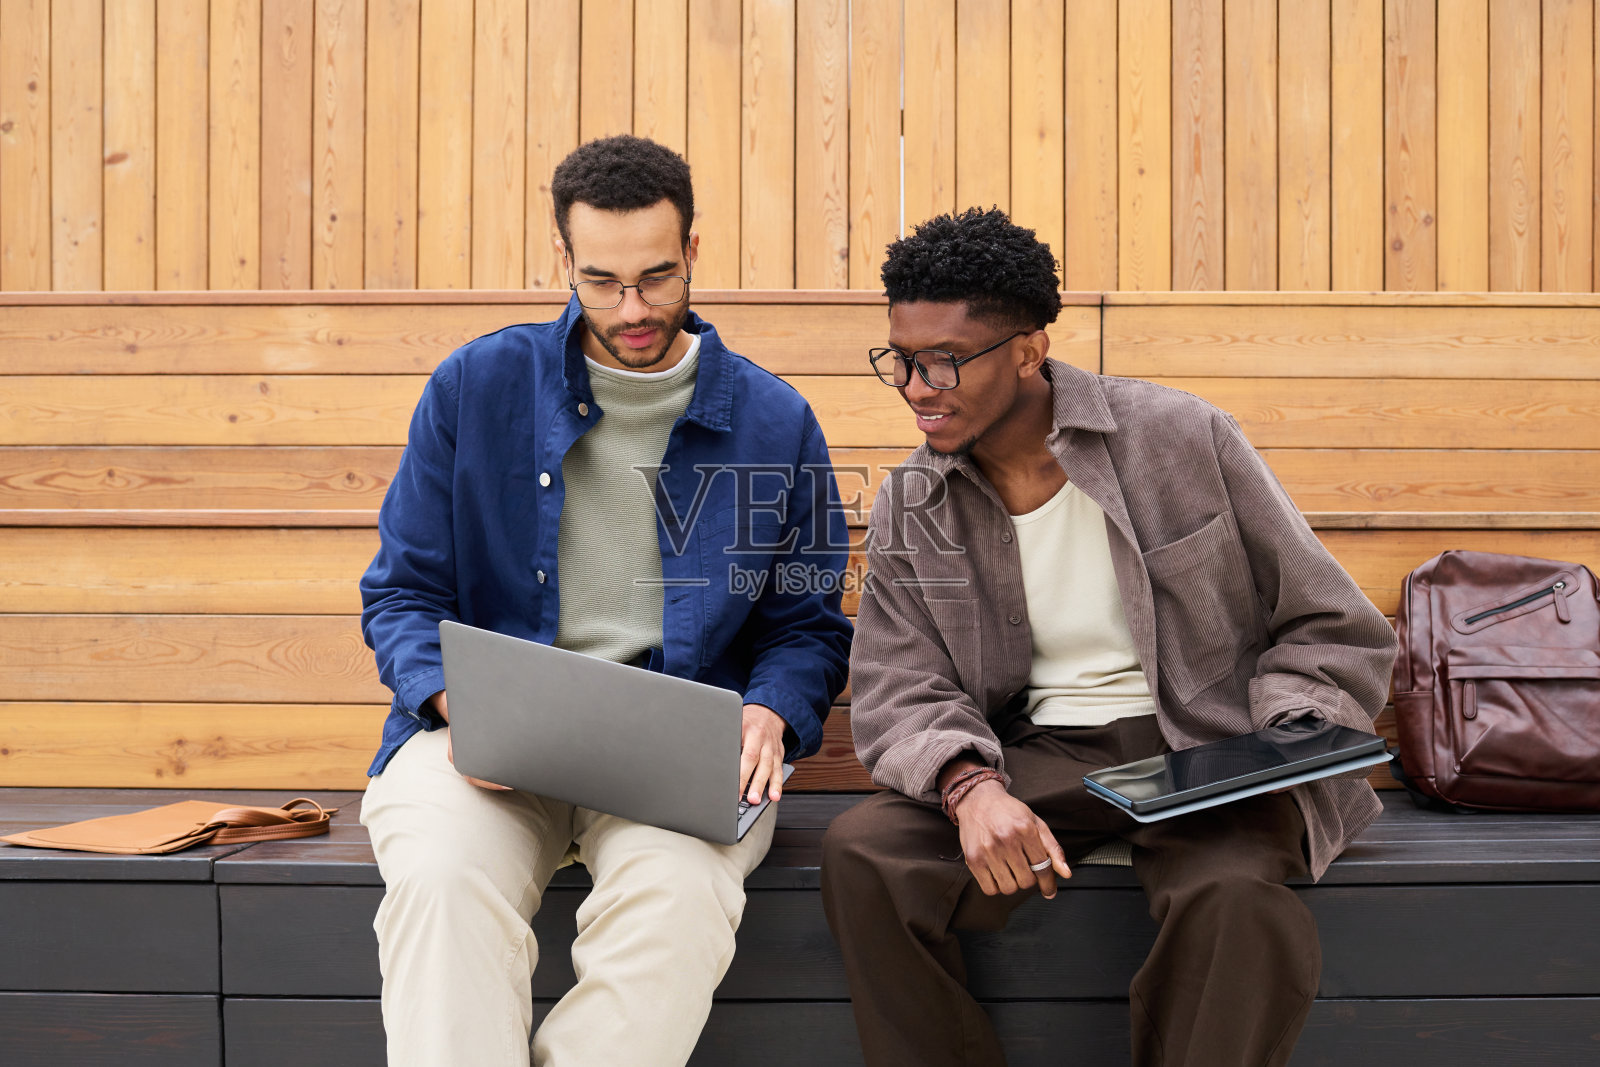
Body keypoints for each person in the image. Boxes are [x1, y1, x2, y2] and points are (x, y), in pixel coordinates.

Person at [821, 207, 1397, 1067]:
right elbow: (901, 680)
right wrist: (968, 783)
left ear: (1028, 349)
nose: (916, 385)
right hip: (1039, 754)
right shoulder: (914, 500)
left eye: (944, 359)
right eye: (900, 359)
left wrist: (1287, 737)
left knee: (1236, 900)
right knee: (864, 853)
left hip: (1206, 746)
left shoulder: (1181, 437)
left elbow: (1329, 620)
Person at [358, 135, 852, 1067]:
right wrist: (455, 701)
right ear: (563, 261)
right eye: (602, 281)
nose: (632, 309)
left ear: (694, 251)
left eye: (658, 279)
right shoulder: (476, 386)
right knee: (441, 879)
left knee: (677, 903)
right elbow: (403, 592)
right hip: (487, 739)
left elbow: (807, 625)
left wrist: (769, 711)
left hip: (674, 751)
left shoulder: (774, 419)